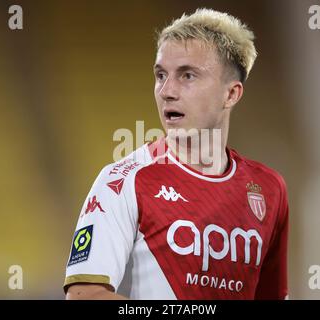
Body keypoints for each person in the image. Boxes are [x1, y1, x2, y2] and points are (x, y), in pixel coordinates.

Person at [64, 8, 289, 300]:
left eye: (187, 76)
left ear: (231, 94)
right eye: (161, 75)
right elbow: (85, 295)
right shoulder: (122, 181)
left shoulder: (270, 189)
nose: (166, 91)